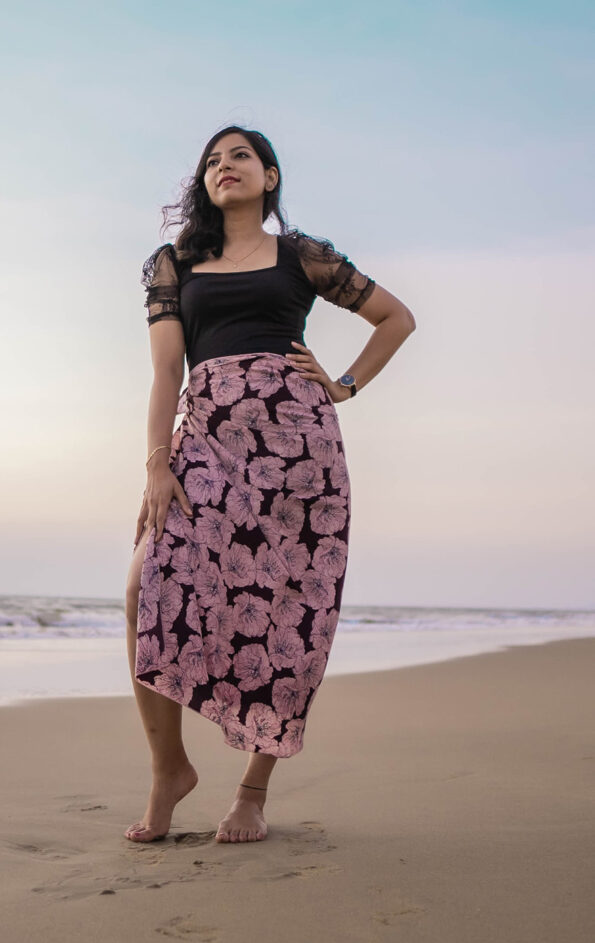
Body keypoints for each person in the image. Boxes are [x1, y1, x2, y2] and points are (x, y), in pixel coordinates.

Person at [124, 125, 415, 845]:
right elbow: (166, 371)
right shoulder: (173, 264)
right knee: (143, 583)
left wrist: (343, 384)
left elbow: (395, 318)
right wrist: (157, 463)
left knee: (288, 613)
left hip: (300, 457)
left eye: (240, 156)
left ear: (270, 176)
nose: (225, 167)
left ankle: (251, 794)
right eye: (213, 161)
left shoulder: (302, 256)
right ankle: (170, 770)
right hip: (209, 443)